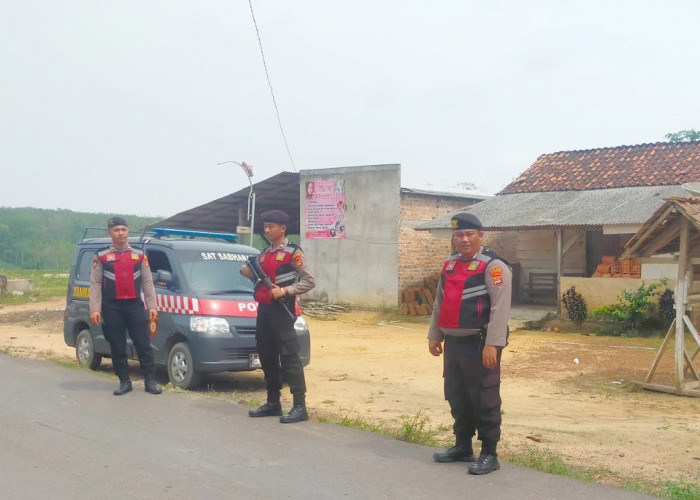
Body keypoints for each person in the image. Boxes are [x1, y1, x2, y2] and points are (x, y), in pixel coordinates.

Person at [427, 212, 511, 475]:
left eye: (469, 235)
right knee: (456, 394)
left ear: (480, 236)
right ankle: (463, 446)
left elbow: (500, 308)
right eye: (459, 235)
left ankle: (489, 453)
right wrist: (434, 334)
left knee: (484, 397)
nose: (464, 240)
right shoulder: (450, 264)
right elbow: (439, 302)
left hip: (480, 344)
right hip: (453, 344)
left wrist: (493, 344)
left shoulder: (493, 265)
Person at [241, 210, 316, 423]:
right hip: (264, 311)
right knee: (267, 356)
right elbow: (250, 272)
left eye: (271, 226)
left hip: (283, 310)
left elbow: (309, 281)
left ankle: (299, 406)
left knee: (290, 357)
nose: (267, 230)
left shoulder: (293, 253)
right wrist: (246, 271)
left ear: (283, 228)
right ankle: (273, 402)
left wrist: (284, 291)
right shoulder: (263, 255)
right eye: (265, 227)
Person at [89, 217, 162, 396]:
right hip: (111, 306)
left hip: (134, 305)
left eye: (123, 229)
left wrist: (152, 305)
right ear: (110, 233)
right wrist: (95, 308)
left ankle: (150, 381)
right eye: (116, 230)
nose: (120, 233)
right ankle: (124, 381)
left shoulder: (139, 255)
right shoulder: (101, 256)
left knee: (143, 343)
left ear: (128, 232)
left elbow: (147, 281)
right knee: (117, 344)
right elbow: (95, 283)